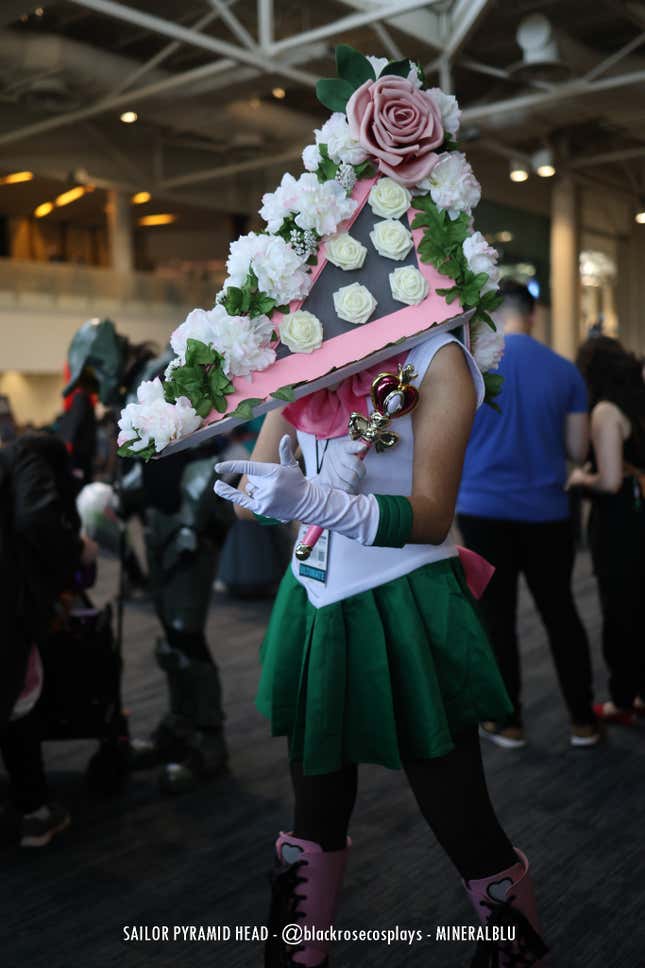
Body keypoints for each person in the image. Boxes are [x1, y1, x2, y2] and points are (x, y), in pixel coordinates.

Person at [214, 330, 548, 968]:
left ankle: (517, 951)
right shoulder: (302, 353)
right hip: (315, 599)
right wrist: (254, 488)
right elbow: (254, 503)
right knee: (313, 807)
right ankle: (298, 952)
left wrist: (314, 498)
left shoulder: (437, 358)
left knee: (459, 813)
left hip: (405, 600)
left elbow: (431, 514)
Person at [456, 281, 600, 750]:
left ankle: (508, 722)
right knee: (560, 612)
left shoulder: (469, 368)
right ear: (534, 316)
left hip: (481, 509)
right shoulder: (564, 371)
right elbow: (577, 450)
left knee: (496, 617)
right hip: (547, 512)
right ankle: (583, 721)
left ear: (490, 316)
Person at [0, 432, 97, 846]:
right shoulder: (24, 455)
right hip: (6, 610)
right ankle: (34, 814)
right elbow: (37, 518)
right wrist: (77, 548)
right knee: (17, 703)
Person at [569, 336, 645, 726]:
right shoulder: (638, 401)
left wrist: (581, 476)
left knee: (619, 611)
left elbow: (610, 480)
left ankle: (621, 699)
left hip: (618, 522)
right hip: (641, 512)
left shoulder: (604, 412)